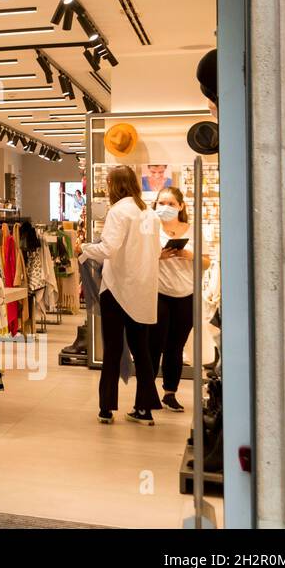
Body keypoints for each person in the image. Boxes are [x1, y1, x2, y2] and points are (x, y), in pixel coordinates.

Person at [76, 165, 162, 425]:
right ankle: (145, 408)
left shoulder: (119, 211)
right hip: (144, 288)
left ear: (114, 185)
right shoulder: (150, 213)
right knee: (142, 350)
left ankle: (106, 408)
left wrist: (84, 248)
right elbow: (156, 250)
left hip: (116, 289)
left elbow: (109, 248)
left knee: (112, 349)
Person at [149, 186, 209, 412]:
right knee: (153, 345)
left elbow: (206, 262)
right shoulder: (150, 229)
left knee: (175, 347)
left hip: (186, 295)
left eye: (171, 204)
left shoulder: (192, 230)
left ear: (181, 206)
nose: (165, 207)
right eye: (161, 203)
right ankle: (148, 391)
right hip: (158, 293)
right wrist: (158, 256)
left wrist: (188, 254)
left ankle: (170, 393)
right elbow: (139, 260)